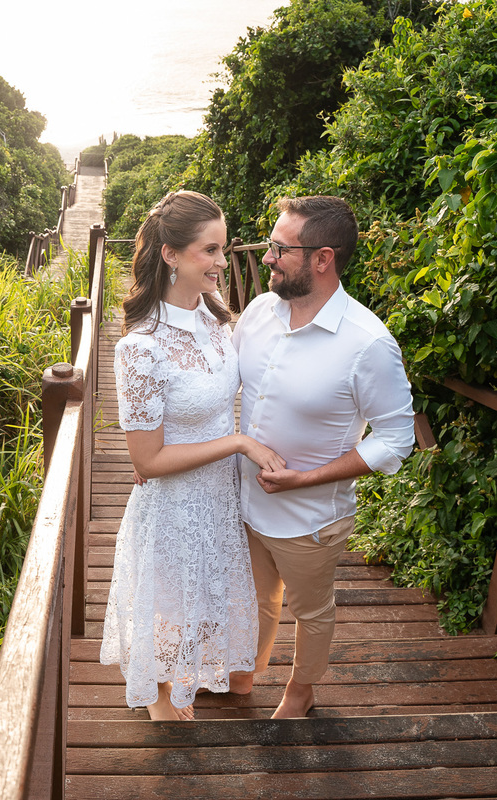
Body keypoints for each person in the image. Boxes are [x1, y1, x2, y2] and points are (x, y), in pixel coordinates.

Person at [100, 190, 286, 721]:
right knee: (171, 597)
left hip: (223, 496)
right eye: (210, 250)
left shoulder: (215, 316)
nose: (222, 262)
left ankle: (197, 675)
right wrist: (240, 442)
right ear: (171, 255)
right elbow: (147, 462)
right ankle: (160, 692)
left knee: (207, 592)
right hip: (175, 501)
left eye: (224, 249)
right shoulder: (140, 348)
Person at [230, 195, 415, 719]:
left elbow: (396, 438)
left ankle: (301, 690)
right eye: (268, 245)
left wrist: (307, 478)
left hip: (311, 519)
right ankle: (244, 673)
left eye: (279, 248)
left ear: (322, 259)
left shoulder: (368, 343)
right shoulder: (259, 311)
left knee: (310, 611)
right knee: (255, 597)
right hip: (244, 501)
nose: (267, 257)